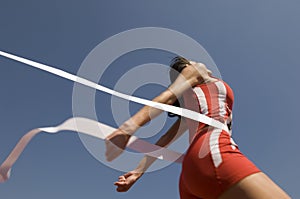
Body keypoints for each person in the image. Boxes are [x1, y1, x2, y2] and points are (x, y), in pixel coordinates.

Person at [105, 56, 290, 199]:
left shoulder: (192, 109)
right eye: (189, 61)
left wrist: (138, 172)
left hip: (190, 176)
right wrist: (128, 127)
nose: (195, 61)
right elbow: (169, 96)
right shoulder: (196, 70)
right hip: (213, 153)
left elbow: (163, 141)